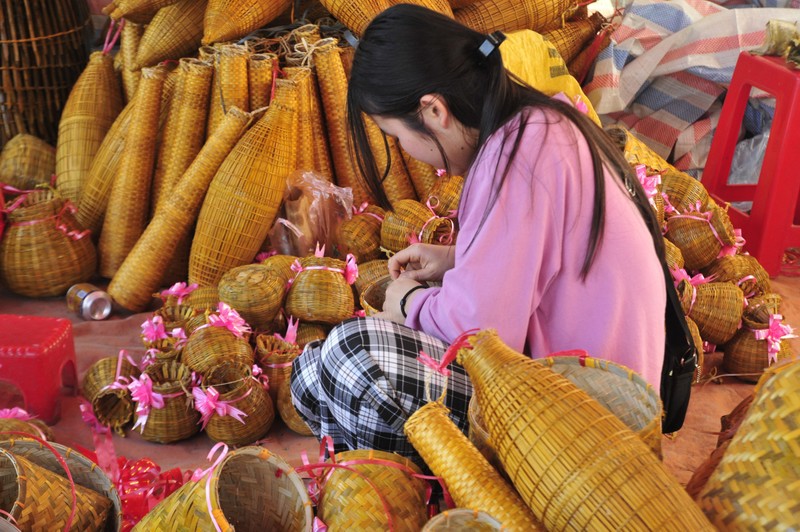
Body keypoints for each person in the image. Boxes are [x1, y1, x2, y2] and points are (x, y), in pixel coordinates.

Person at [291, 4, 666, 466]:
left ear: (433, 110)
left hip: (585, 425)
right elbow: (540, 259)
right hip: (561, 390)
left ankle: (436, 496)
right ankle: (367, 489)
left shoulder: (522, 156)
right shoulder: (533, 128)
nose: (407, 152)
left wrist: (408, 303)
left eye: (396, 136)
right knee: (310, 371)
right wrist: (456, 259)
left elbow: (483, 334)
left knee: (353, 356)